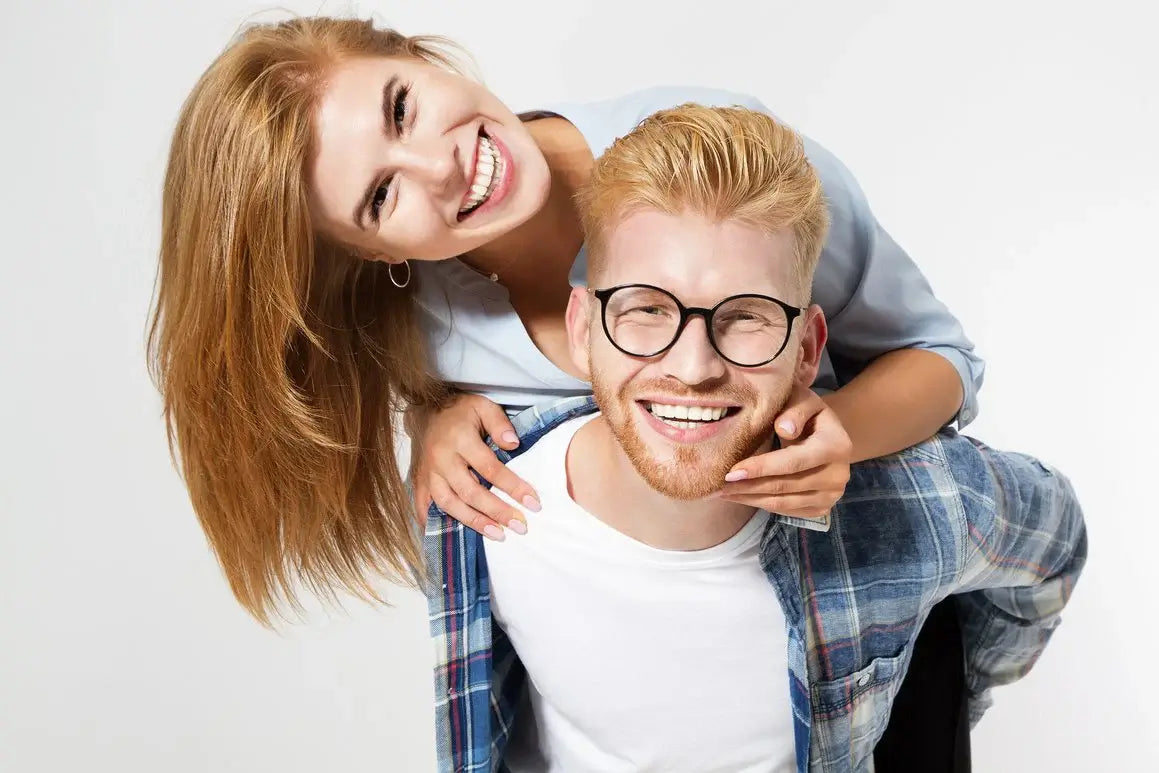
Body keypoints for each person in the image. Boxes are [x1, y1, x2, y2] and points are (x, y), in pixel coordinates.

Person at [149, 16, 983, 625]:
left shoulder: (727, 169)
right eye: (380, 196)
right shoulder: (419, 320)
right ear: (370, 254)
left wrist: (836, 431)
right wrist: (429, 417)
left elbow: (939, 357)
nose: (439, 166)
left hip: (875, 604)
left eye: (400, 108)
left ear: (415, 52)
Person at [424, 103, 1086, 773]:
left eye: (745, 317)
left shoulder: (916, 502)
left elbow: (1053, 545)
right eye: (646, 308)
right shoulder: (480, 509)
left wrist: (928, 700)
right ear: (582, 327)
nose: (692, 368)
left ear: (807, 348)